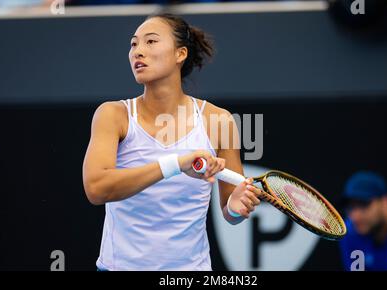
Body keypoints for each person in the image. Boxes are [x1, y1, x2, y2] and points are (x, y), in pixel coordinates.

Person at [82, 13, 262, 271]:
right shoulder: (113, 115)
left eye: (151, 42)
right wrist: (176, 164)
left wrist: (235, 208)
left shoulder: (219, 120)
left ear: (180, 54)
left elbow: (229, 208)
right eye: (134, 44)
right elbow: (97, 188)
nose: (138, 52)